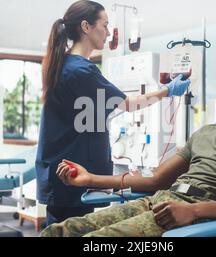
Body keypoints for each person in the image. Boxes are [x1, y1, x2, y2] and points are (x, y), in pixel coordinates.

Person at [41, 70, 216, 237]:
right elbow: (156, 180)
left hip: (200, 218)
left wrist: (194, 211)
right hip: (161, 201)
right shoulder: (206, 133)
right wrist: (90, 179)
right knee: (61, 231)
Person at [36, 0, 191, 226]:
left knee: (62, 229)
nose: (108, 32)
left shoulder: (65, 65)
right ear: (86, 27)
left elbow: (84, 113)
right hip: (71, 173)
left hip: (63, 170)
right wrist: (168, 90)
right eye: (105, 25)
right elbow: (129, 104)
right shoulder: (83, 70)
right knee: (71, 231)